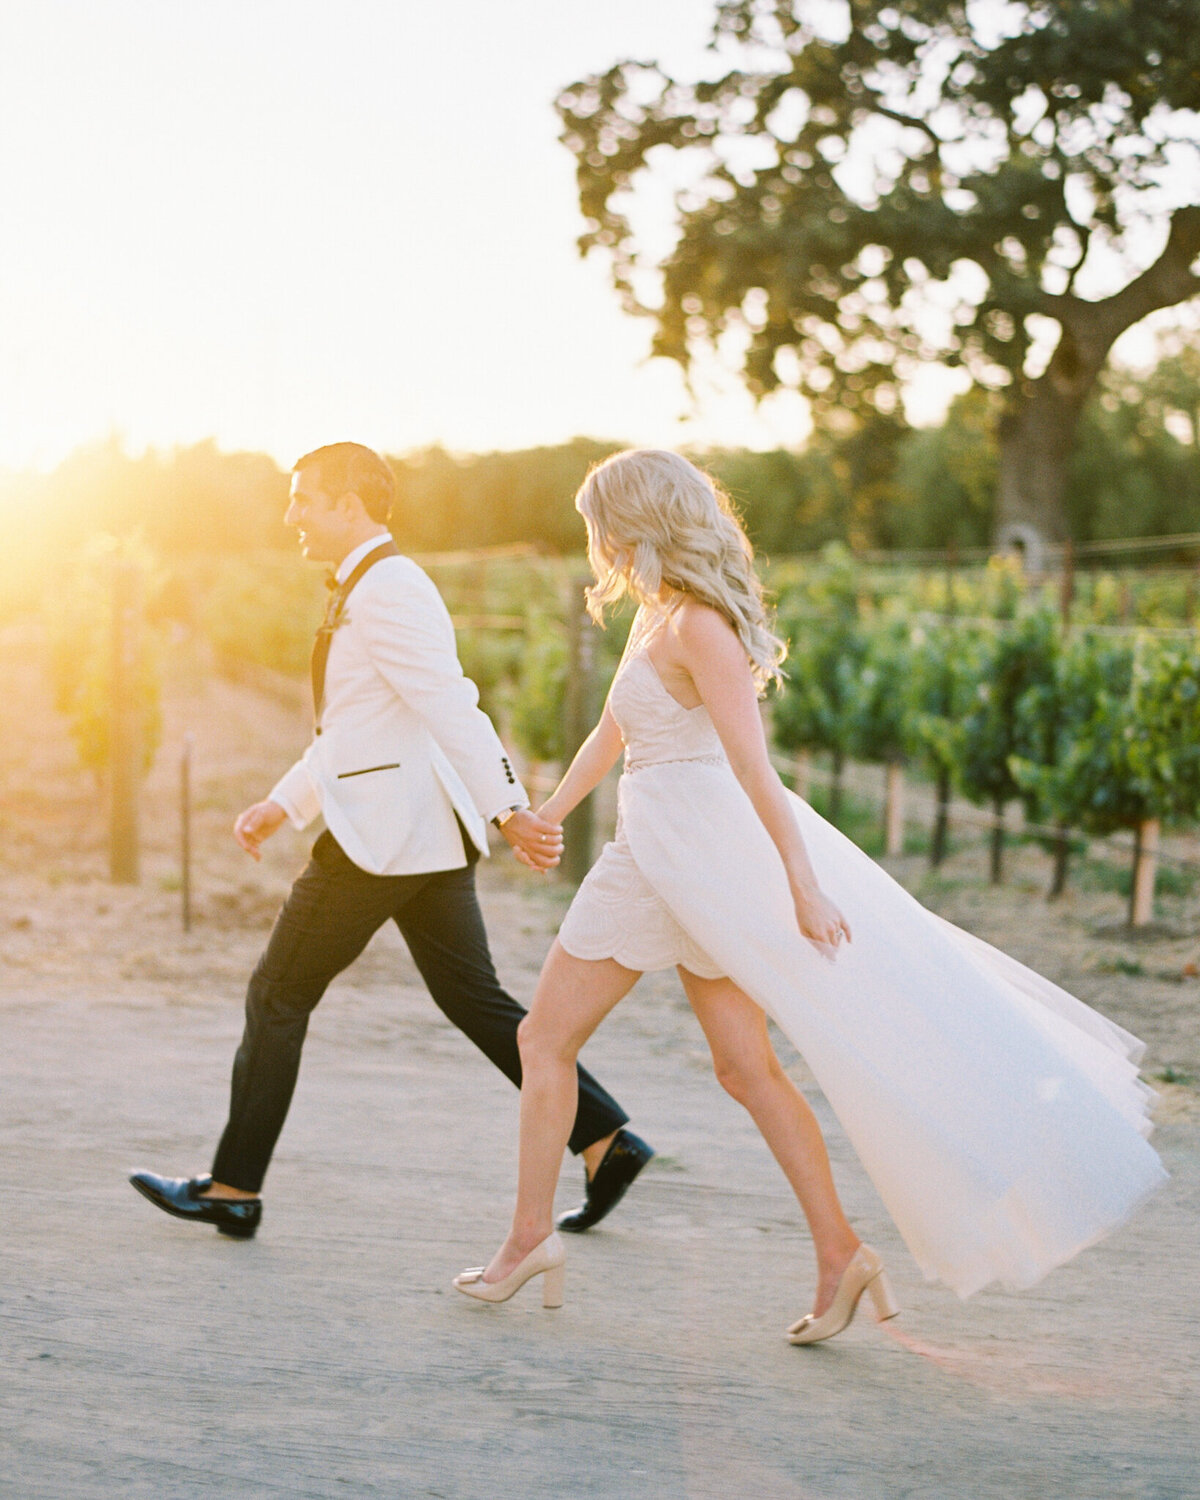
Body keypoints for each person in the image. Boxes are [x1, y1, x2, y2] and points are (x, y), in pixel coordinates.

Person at [453, 448, 1166, 1344]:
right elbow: (615, 726)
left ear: (638, 521)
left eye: (600, 521)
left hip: (695, 853)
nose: (592, 541)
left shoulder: (699, 625)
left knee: (549, 1037)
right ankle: (839, 1254)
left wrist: (800, 881)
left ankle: (529, 1241)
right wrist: (551, 810)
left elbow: (753, 762)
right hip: (661, 847)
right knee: (735, 1067)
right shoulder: (656, 613)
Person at [130, 442, 653, 1239]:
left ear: (349, 504)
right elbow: (357, 727)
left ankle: (234, 1188)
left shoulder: (391, 590)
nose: (291, 514)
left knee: (277, 995)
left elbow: (450, 705)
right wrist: (283, 802)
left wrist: (509, 808)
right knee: (474, 1001)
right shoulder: (368, 586)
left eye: (303, 498)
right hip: (422, 834)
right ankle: (606, 1141)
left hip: (380, 838)